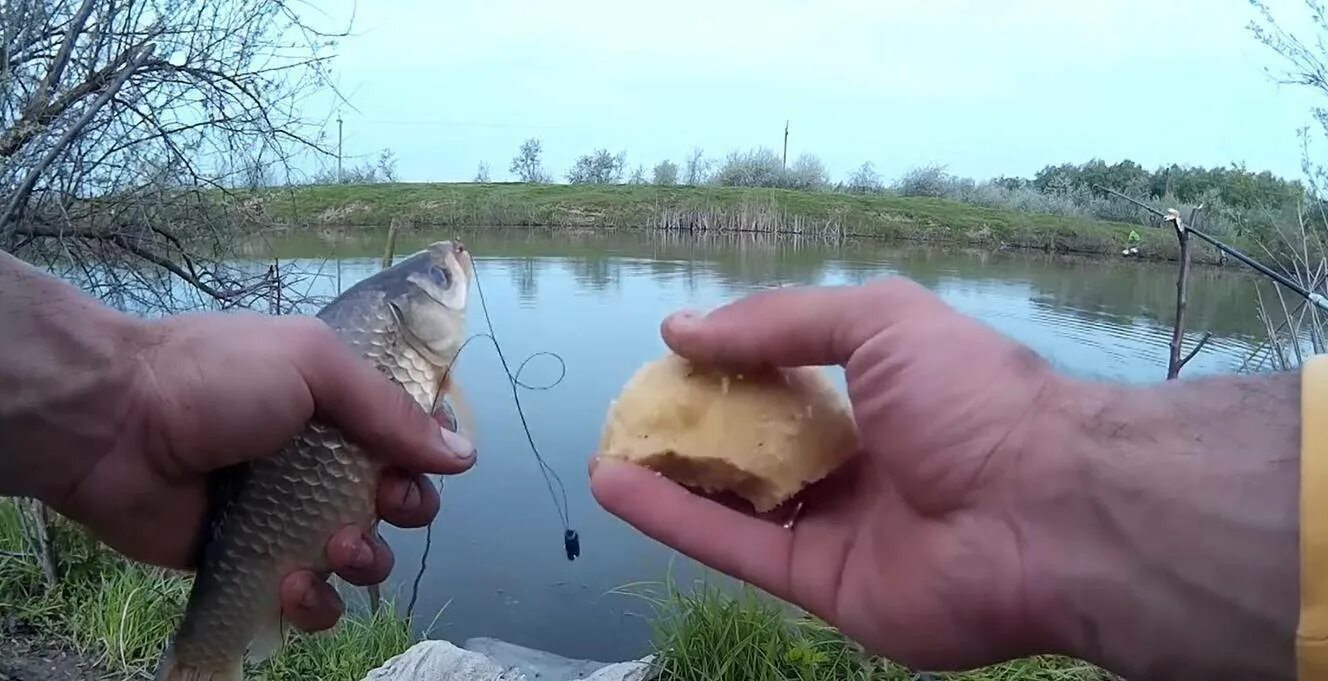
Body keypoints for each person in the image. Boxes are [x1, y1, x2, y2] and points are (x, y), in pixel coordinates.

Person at [0, 248, 1316, 680]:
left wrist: (114, 403)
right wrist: (117, 402)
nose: (460, 282)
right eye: (441, 280)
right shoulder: (368, 354)